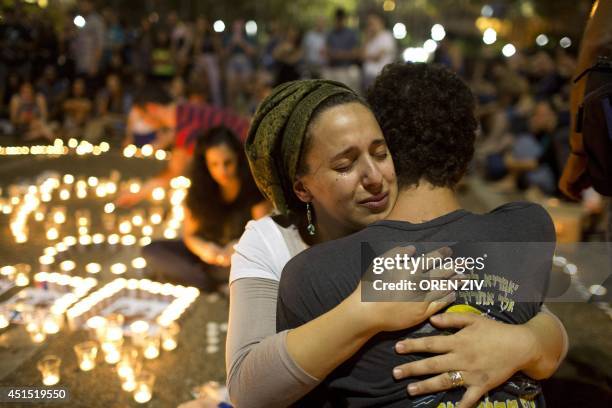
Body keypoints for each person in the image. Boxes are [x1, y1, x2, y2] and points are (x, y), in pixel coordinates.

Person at [224, 79, 568, 407]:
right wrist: (365, 310)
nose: (375, 178)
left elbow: (533, 313)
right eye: (345, 165)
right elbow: (247, 391)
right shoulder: (273, 243)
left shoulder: (412, 219)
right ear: (302, 189)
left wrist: (522, 342)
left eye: (380, 152)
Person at [142, 126, 269, 290]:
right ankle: (211, 281)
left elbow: (262, 233)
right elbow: (190, 235)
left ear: (238, 158)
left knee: (259, 263)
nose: (222, 171)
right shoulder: (199, 191)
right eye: (214, 164)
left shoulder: (253, 187)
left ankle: (200, 279)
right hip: (207, 257)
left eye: (227, 163)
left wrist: (238, 246)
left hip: (241, 256)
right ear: (205, 164)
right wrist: (204, 249)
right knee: (152, 251)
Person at [322, 8, 361, 92]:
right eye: (337, 19)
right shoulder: (330, 33)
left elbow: (356, 53)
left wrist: (340, 55)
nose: (339, 22)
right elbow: (326, 51)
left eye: (341, 19)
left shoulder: (351, 33)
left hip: (347, 69)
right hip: (332, 68)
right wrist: (334, 54)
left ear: (344, 19)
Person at [361, 11, 396, 89]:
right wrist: (367, 38)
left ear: (380, 22)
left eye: (372, 23)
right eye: (369, 24)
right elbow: (361, 55)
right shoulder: (369, 38)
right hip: (367, 75)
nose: (370, 26)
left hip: (380, 76)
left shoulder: (386, 36)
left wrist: (366, 56)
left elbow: (378, 57)